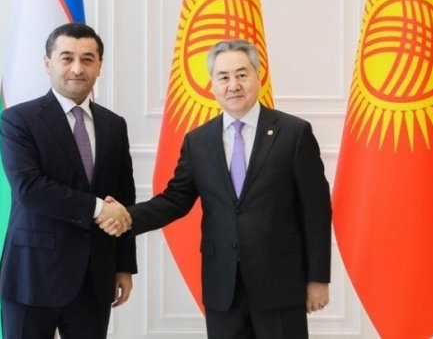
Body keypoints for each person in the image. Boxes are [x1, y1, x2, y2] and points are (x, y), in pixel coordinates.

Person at [99, 39, 331, 339]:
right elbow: (175, 199)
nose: (233, 85)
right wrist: (127, 217)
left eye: (241, 74)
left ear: (258, 76)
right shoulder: (199, 141)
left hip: (280, 284)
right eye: (223, 77)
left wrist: (318, 278)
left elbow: (316, 210)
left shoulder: (294, 134)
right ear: (213, 85)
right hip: (224, 287)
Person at [0, 23, 136, 339]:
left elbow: (124, 198)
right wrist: (98, 208)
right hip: (32, 275)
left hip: (94, 277)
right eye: (67, 58)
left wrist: (124, 265)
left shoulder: (114, 125)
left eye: (87, 59)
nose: (77, 68)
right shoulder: (19, 120)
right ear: (47, 63)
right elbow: (29, 189)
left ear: (99, 66)